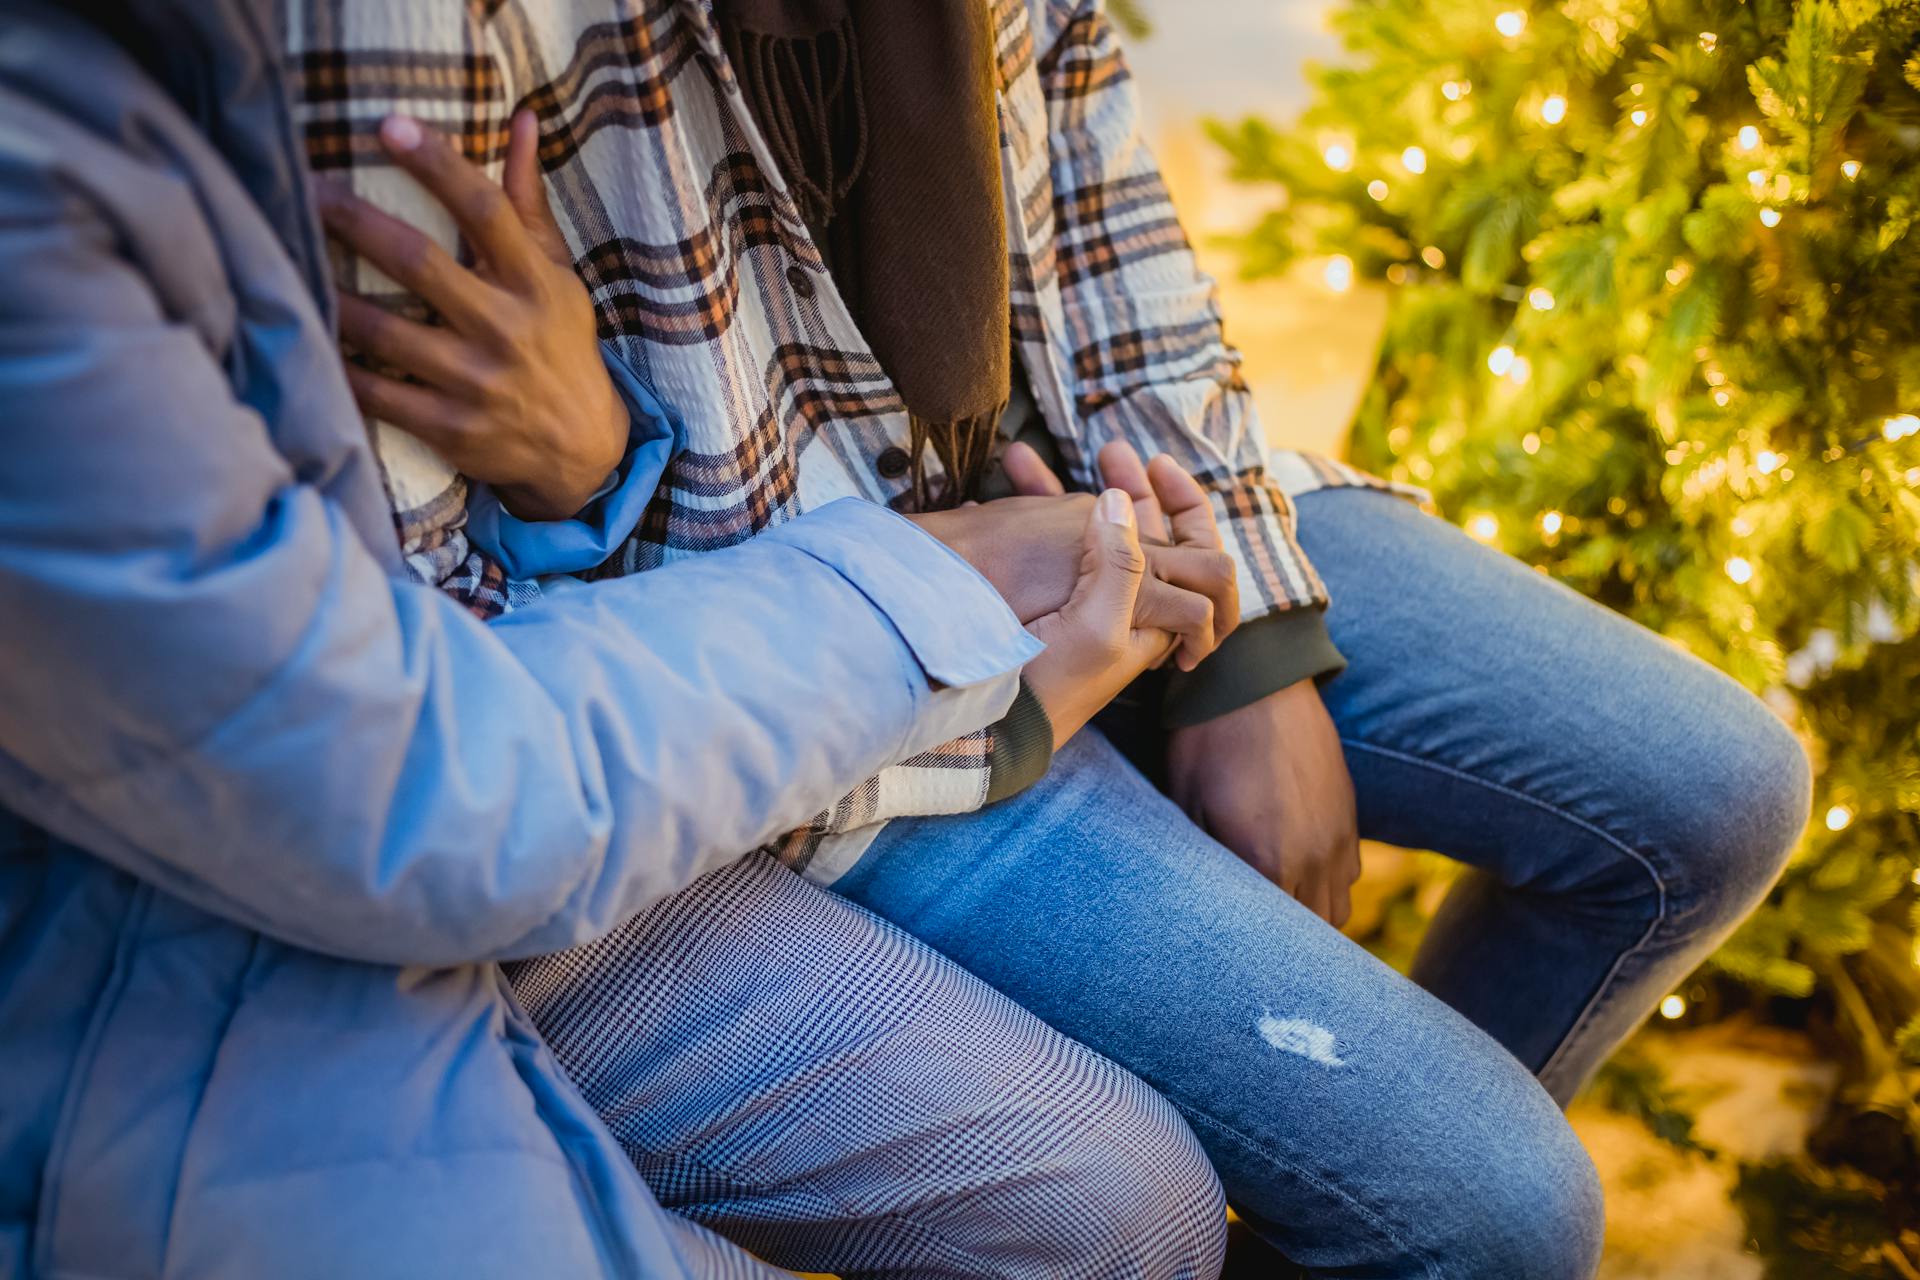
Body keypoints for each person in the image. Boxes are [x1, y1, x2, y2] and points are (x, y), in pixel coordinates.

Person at [301, 0, 1817, 1274]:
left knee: (1722, 786)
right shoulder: (408, 42)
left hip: (1068, 503)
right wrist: (991, 697)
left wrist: (1251, 638)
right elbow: (487, 678)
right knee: (1500, 1209)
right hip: (825, 659)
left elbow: (1095, 189)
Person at [0, 2, 1237, 1276]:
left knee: (1140, 1206)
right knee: (1197, 1198)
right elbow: (424, 763)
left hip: (607, 730)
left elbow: (356, 596)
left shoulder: (152, 81)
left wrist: (1258, 646)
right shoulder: (91, 157)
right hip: (385, 879)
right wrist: (946, 613)